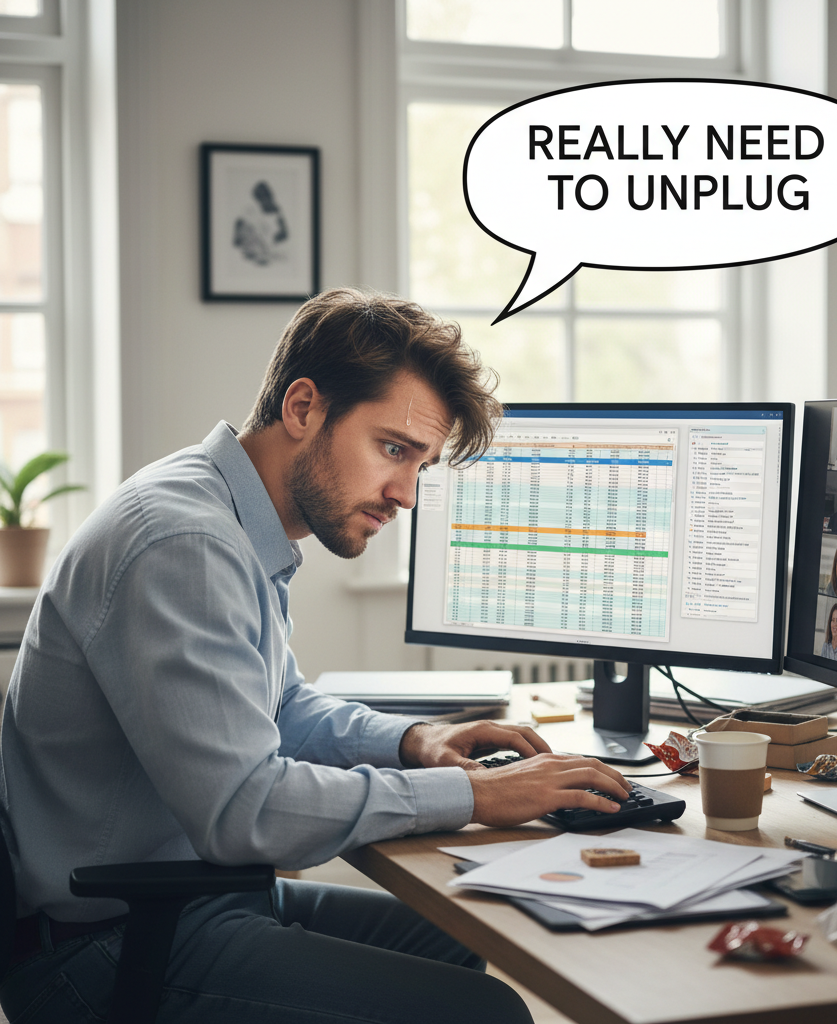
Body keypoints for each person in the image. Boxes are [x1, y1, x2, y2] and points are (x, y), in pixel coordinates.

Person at [0, 289, 636, 1024]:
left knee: (452, 938)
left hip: (182, 900)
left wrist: (411, 740)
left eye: (421, 466)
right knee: (484, 1012)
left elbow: (279, 706)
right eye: (393, 449)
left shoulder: (229, 517)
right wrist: (478, 795)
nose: (406, 495)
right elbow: (247, 809)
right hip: (103, 948)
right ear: (302, 408)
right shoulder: (186, 542)